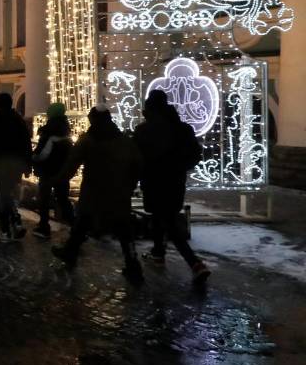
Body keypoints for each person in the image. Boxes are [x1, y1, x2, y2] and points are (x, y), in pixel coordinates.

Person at [52, 106, 144, 282]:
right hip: (119, 192)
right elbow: (138, 164)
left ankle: (70, 252)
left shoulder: (88, 140)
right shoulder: (124, 140)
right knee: (124, 229)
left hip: (94, 191)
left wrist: (58, 180)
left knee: (82, 223)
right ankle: (132, 263)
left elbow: (72, 163)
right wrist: (130, 185)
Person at [134, 90, 211, 284]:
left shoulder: (144, 130)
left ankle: (194, 263)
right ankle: (158, 253)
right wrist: (179, 167)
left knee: (166, 220)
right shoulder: (182, 129)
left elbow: (137, 157)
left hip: (153, 181)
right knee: (163, 216)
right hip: (175, 182)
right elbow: (195, 154)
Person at [0, 92, 32, 241]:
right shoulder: (18, 120)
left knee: (3, 198)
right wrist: (27, 165)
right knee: (10, 195)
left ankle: (5, 231)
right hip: (16, 165)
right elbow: (27, 143)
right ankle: (16, 222)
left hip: (0, 165)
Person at [32, 102, 75, 239]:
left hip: (48, 171)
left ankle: (44, 226)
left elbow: (43, 154)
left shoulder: (49, 133)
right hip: (62, 173)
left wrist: (33, 157)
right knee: (63, 199)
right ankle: (76, 228)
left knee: (44, 199)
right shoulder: (66, 132)